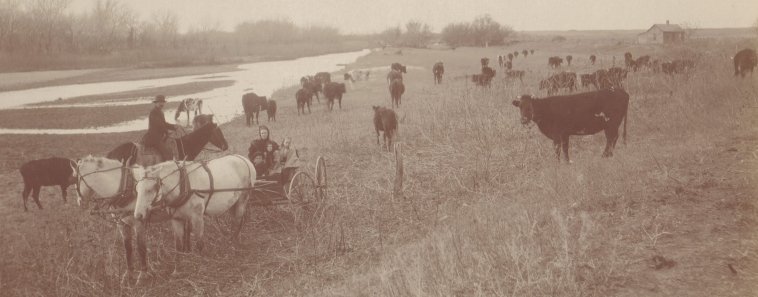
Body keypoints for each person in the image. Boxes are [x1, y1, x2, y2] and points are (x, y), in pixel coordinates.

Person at [143, 95, 178, 161]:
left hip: (159, 136)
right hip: (154, 137)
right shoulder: (153, 112)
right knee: (167, 153)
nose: (162, 104)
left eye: (163, 102)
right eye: (160, 102)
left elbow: (164, 123)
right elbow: (159, 124)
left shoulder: (160, 111)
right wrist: (167, 131)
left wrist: (174, 126)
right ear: (156, 103)